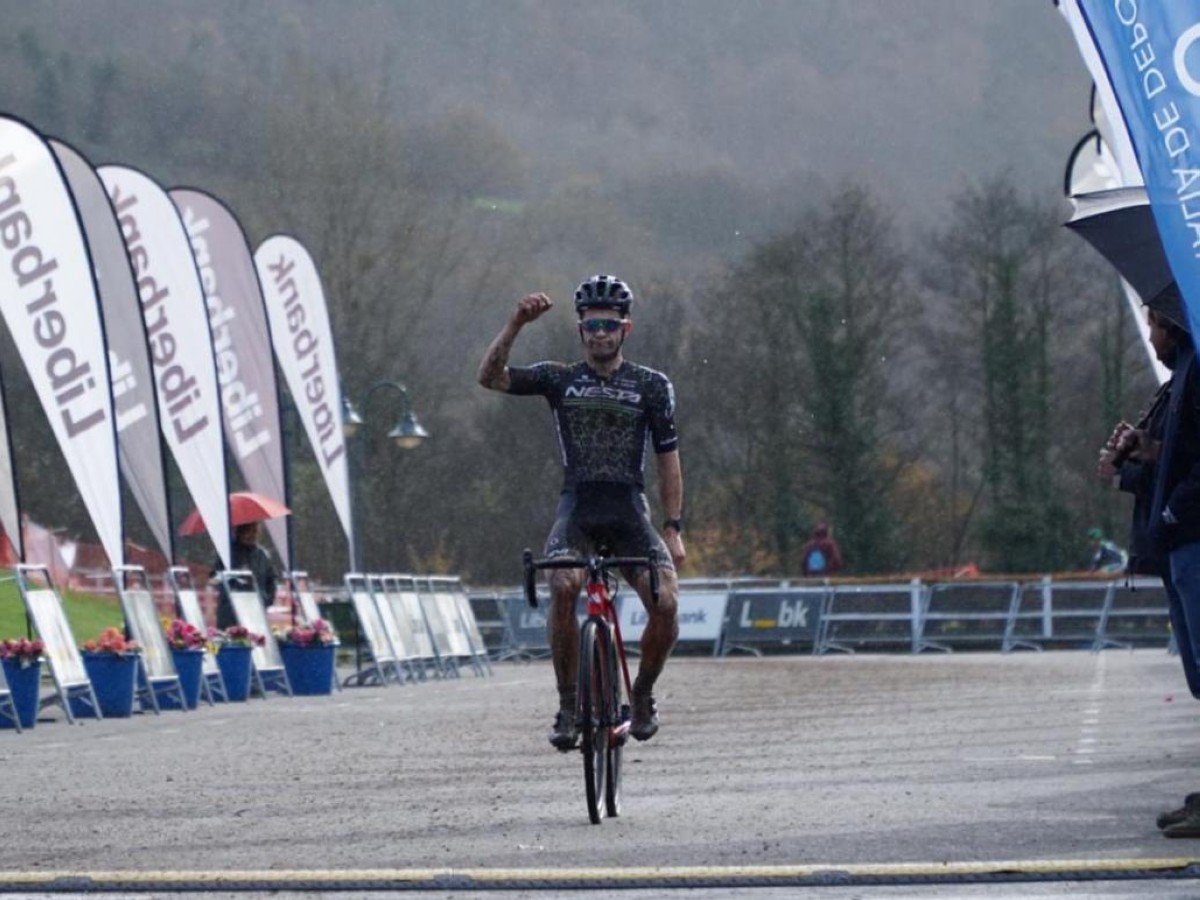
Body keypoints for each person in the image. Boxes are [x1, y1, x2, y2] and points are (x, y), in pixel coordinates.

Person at [477, 274, 684, 749]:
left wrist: (673, 526)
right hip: (578, 509)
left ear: (625, 329)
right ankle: (568, 704)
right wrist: (515, 324)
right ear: (581, 331)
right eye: (592, 327)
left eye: (609, 325)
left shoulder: (652, 386)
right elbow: (489, 377)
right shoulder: (560, 379)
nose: (600, 334)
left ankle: (644, 693)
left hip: (630, 512)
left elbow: (668, 459)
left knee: (667, 603)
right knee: (563, 584)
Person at [1098, 287, 1200, 837]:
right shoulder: (1181, 376)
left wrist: (1168, 515)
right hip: (1179, 542)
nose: (1152, 339)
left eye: (1154, 327)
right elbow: (1180, 456)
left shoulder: (1193, 371)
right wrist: (1142, 452)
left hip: (1190, 540)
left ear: (1169, 325)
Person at [212, 521, 279, 629]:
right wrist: (235, 575)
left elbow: (271, 580)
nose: (253, 535)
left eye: (255, 531)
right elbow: (215, 578)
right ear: (241, 531)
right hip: (231, 615)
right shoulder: (227, 553)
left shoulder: (262, 555)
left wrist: (266, 600)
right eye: (250, 531)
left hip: (256, 612)